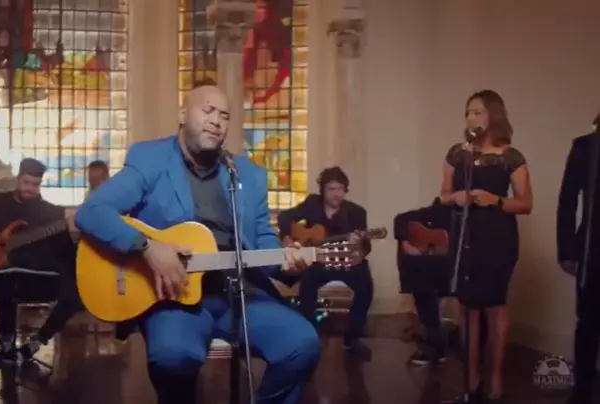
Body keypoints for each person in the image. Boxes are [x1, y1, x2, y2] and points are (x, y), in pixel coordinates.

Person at [75, 85, 321, 404]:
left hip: (240, 295)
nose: (216, 120)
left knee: (302, 344)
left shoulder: (248, 175)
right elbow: (92, 212)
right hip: (175, 296)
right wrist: (146, 247)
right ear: (182, 114)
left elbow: (262, 241)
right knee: (172, 358)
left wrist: (288, 264)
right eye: (207, 110)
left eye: (224, 115)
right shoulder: (150, 160)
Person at [438, 90, 533, 403]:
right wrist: (456, 197)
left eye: (477, 112)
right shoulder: (457, 154)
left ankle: (495, 376)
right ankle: (472, 378)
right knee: (468, 307)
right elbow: (443, 195)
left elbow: (525, 203)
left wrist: (496, 200)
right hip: (465, 237)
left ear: (494, 115)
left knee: (494, 304)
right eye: (468, 112)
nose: (471, 118)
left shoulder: (511, 157)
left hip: (498, 238)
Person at [0, 158, 83, 360]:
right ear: (18, 178)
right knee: (6, 279)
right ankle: (5, 342)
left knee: (75, 295)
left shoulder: (50, 212)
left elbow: (65, 253)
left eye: (35, 184)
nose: (30, 189)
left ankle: (38, 340)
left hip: (37, 275)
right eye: (26, 182)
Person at [277, 166, 374, 359]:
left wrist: (359, 246)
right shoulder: (312, 204)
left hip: (346, 262)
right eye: (331, 189)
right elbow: (285, 217)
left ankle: (352, 338)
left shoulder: (356, 212)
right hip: (318, 261)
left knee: (366, 287)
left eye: (340, 189)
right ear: (323, 190)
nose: (336, 194)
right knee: (307, 287)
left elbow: (366, 248)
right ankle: (310, 336)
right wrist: (287, 238)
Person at [556, 113, 600, 404]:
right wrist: (567, 251)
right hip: (592, 249)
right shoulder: (586, 148)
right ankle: (582, 391)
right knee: (588, 323)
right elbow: (568, 202)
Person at [393, 199, 453, 366]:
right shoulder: (440, 209)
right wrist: (406, 243)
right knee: (420, 273)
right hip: (439, 267)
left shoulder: (478, 213)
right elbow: (401, 219)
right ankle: (435, 344)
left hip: (466, 266)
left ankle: (438, 343)